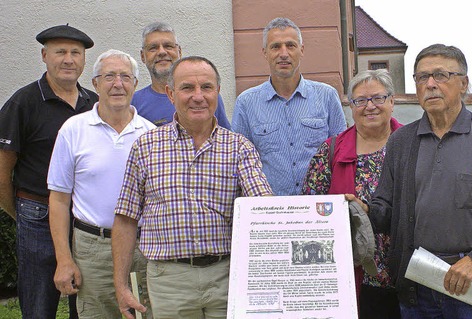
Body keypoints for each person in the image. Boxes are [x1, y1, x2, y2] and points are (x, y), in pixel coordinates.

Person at [348, 44, 472, 319]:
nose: (431, 84)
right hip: (417, 288)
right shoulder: (402, 142)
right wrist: (365, 211)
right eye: (422, 77)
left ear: (463, 83)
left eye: (441, 75)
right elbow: (386, 212)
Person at [111, 56, 273, 318]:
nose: (198, 96)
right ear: (171, 94)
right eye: (187, 88)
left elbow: (265, 209)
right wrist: (120, 286)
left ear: (217, 92)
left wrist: (325, 212)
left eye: (206, 87)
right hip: (169, 281)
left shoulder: (239, 148)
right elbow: (126, 219)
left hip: (227, 277)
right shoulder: (145, 147)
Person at [47, 49, 155, 318]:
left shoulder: (151, 135)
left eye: (125, 77)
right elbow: (59, 200)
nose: (117, 84)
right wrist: (64, 259)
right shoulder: (73, 129)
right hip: (92, 249)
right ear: (95, 84)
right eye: (109, 76)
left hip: (142, 248)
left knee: (145, 314)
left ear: (135, 84)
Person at [0, 24, 97, 318]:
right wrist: (19, 213)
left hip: (83, 217)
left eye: (75, 53)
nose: (68, 59)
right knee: (39, 303)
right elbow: (3, 169)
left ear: (83, 60)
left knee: (84, 301)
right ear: (44, 56)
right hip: (37, 214)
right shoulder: (23, 102)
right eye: (60, 52)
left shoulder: (93, 104)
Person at [302, 69, 401, 318]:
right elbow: (310, 208)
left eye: (378, 98)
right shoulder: (331, 151)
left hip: (407, 271)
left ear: (392, 101)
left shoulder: (413, 144)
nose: (370, 107)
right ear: (350, 106)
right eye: (360, 100)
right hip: (355, 275)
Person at [233, 17, 346, 195]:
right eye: (275, 46)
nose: (283, 53)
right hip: (271, 211)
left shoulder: (327, 96)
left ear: (301, 50)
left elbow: (342, 155)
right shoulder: (246, 103)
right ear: (265, 52)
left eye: (291, 45)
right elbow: (240, 163)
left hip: (319, 210)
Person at [132, 22, 231, 129]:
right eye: (153, 48)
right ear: (143, 56)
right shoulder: (134, 103)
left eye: (168, 46)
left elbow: (224, 137)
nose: (161, 52)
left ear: (179, 52)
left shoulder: (206, 96)